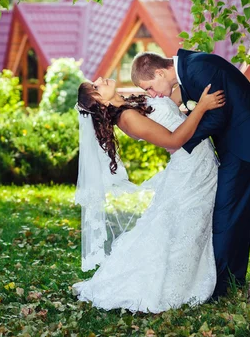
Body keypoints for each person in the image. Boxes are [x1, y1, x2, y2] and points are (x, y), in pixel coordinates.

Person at [73, 77, 224, 313]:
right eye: (96, 86)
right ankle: (172, 286)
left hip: (197, 162)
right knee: (185, 229)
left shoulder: (129, 104)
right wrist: (202, 106)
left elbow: (170, 110)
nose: (100, 79)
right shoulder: (127, 118)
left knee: (182, 227)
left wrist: (176, 81)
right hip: (191, 168)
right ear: (100, 102)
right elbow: (175, 139)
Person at [131, 49, 250, 298]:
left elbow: (218, 116)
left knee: (227, 214)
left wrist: (178, 141)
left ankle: (222, 286)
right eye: (147, 93)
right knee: (232, 214)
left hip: (245, 144)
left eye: (150, 87)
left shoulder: (198, 68)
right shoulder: (189, 70)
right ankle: (230, 280)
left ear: (161, 72)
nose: (152, 94)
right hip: (233, 145)